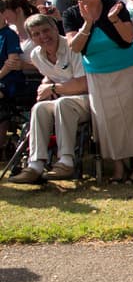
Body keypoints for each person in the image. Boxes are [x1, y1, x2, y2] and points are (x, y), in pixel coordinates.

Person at [62, 0, 133, 183]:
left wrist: (113, 20)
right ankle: (118, 165)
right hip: (97, 73)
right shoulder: (71, 14)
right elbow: (75, 47)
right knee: (107, 120)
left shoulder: (116, 6)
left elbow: (129, 37)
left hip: (127, 69)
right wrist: (87, 24)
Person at [9, 14, 90, 183]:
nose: (43, 37)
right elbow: (49, 76)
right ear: (31, 38)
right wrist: (44, 86)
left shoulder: (72, 47)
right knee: (39, 107)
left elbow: (83, 84)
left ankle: (66, 161)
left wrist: (51, 88)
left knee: (62, 103)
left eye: (46, 30)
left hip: (86, 99)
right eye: (36, 34)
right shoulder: (36, 55)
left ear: (55, 28)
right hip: (62, 99)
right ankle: (35, 164)